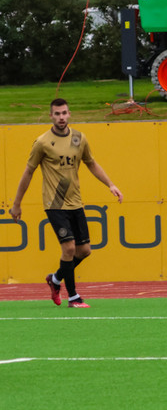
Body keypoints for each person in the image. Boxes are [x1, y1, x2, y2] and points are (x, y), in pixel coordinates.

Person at [9, 98, 123, 308]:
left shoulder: (79, 138)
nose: (61, 117)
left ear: (69, 114)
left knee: (84, 250)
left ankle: (55, 279)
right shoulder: (42, 142)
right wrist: (17, 203)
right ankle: (73, 297)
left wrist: (110, 184)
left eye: (64, 113)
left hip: (75, 202)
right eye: (57, 114)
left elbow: (91, 163)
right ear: (51, 116)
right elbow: (28, 172)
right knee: (69, 248)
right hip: (55, 203)